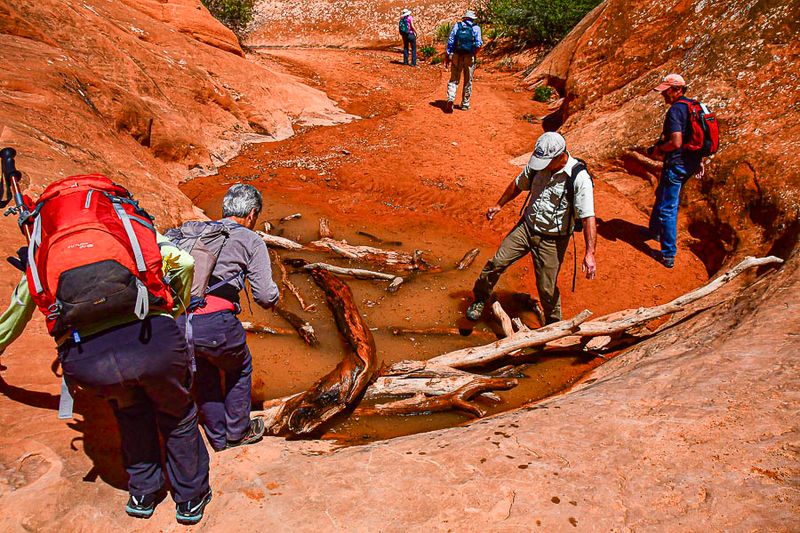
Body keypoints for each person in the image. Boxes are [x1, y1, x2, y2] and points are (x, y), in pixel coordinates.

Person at [0, 178, 211, 524]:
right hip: (151, 339)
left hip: (88, 357)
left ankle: (143, 495)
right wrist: (174, 311)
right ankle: (190, 500)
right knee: (178, 414)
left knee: (130, 411)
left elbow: (24, 303)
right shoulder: (122, 222)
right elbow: (184, 263)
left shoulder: (44, 242)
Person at [175, 184, 279, 453]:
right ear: (252, 213)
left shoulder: (197, 230)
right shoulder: (250, 239)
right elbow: (265, 296)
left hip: (181, 322)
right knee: (238, 367)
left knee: (205, 374)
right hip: (217, 324)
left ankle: (218, 438)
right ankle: (238, 432)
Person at [465, 132, 597, 324]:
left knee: (546, 287)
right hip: (526, 228)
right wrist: (499, 205)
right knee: (496, 263)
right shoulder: (539, 166)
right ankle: (480, 299)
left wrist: (590, 253)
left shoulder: (579, 178)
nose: (541, 166)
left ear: (560, 156)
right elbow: (518, 184)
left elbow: (587, 217)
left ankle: (553, 325)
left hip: (553, 239)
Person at [644, 73, 704, 268]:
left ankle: (668, 254)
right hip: (690, 163)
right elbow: (696, 136)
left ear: (676, 90)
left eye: (666, 91)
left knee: (668, 207)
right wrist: (699, 160)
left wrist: (659, 149)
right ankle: (653, 231)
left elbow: (677, 141)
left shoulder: (676, 111)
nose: (663, 95)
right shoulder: (693, 106)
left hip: (677, 163)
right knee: (662, 193)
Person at [444, 10, 483, 112]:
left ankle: (451, 99)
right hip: (469, 57)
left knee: (454, 79)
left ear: (464, 18)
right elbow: (479, 44)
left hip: (457, 55)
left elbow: (450, 41)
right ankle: (465, 104)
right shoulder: (476, 28)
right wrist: (473, 53)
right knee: (467, 80)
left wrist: (448, 55)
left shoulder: (457, 26)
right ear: (472, 19)